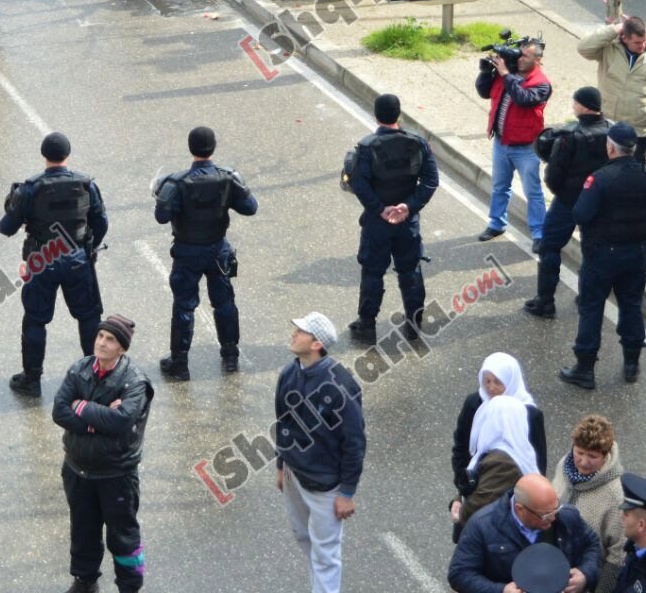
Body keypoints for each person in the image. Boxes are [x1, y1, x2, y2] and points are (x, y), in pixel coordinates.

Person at [561, 122, 646, 389]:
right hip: (636, 253)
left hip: (602, 254)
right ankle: (631, 363)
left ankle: (585, 368)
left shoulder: (600, 179)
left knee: (591, 308)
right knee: (631, 305)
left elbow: (580, 214)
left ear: (610, 147)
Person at [2, 133, 109, 396]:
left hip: (41, 261)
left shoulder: (30, 189)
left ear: (44, 155)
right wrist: (90, 246)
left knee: (35, 320)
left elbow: (6, 228)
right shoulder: (86, 185)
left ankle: (32, 379)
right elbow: (102, 222)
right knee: (88, 317)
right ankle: (97, 377)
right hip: (78, 259)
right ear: (67, 155)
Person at [52, 315, 152, 593]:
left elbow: (121, 422)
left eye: (111, 340)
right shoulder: (79, 369)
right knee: (83, 531)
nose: (102, 343)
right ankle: (84, 580)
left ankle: (131, 586)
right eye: (100, 336)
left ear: (122, 348)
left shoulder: (135, 382)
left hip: (116, 474)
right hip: (77, 470)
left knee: (125, 538)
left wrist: (82, 407)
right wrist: (101, 419)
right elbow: (59, 411)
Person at [152, 126, 257, 380]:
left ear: (191, 148)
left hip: (188, 251)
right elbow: (250, 207)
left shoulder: (176, 182)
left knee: (184, 306)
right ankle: (230, 356)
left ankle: (180, 363)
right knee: (224, 302)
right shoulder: (228, 177)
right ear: (213, 147)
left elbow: (160, 217)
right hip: (217, 248)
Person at [276, 313, 366, 593]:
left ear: (316, 344)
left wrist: (347, 493)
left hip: (325, 487)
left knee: (326, 555)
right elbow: (283, 423)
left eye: (301, 331)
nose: (293, 333)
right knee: (304, 538)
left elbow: (354, 442)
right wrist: (281, 465)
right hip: (294, 475)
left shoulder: (341, 386)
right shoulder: (289, 373)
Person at [341, 93, 439, 344]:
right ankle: (414, 325)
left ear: (376, 115)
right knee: (410, 271)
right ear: (399, 115)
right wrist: (409, 206)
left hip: (378, 221)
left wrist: (380, 209)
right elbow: (430, 180)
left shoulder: (366, 147)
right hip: (408, 221)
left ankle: (367, 324)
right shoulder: (418, 143)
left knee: (373, 272)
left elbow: (358, 183)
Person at [527, 87, 609, 318]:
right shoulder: (611, 131)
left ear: (583, 106)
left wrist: (563, 193)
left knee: (550, 247)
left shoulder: (569, 136)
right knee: (591, 252)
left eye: (575, 103)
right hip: (597, 203)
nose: (573, 106)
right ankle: (587, 297)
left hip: (567, 202)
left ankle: (545, 301)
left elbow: (553, 175)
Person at [448, 473, 603, 593]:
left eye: (556, 508)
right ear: (520, 509)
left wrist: (585, 574)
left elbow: (592, 544)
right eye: (545, 515)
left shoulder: (565, 515)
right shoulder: (481, 526)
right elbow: (459, 574)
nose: (554, 517)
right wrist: (500, 590)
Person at [476, 38, 551, 248]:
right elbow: (483, 92)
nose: (519, 58)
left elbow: (523, 99)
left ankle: (539, 234)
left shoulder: (541, 83)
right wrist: (485, 72)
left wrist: (506, 75)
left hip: (526, 148)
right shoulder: (507, 73)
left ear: (537, 59)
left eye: (525, 56)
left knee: (533, 192)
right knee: (500, 186)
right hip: (501, 143)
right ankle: (496, 223)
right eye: (519, 53)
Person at [577, 17, 646, 164]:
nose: (643, 45)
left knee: (633, 169)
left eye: (645, 40)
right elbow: (583, 48)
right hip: (609, 122)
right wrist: (614, 29)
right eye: (637, 42)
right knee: (603, 165)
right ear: (624, 37)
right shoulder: (609, 48)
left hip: (641, 127)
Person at [452, 353, 549, 499]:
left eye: (498, 382)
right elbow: (461, 446)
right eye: (487, 381)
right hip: (476, 485)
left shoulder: (529, 414)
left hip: (515, 489)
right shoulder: (474, 404)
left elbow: (537, 458)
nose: (491, 388)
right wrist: (463, 482)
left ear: (511, 381)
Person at [551, 416, 626, 593]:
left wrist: (600, 588)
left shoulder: (615, 495)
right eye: (579, 452)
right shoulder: (564, 465)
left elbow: (617, 554)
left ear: (605, 455)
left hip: (584, 577)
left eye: (593, 456)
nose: (584, 462)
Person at [453, 395, 543, 535]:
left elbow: (480, 503)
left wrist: (461, 510)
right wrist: (458, 499)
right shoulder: (520, 452)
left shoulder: (502, 462)